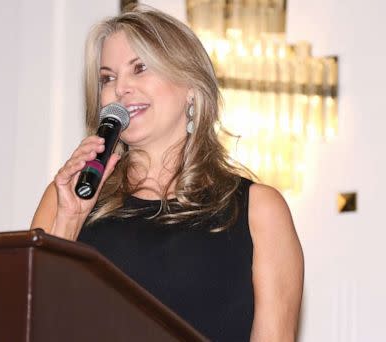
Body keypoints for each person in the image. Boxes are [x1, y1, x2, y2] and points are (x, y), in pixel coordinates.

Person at [31, 5, 303, 341]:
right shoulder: (68, 197)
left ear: (190, 83)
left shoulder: (258, 210)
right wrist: (68, 222)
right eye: (108, 78)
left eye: (139, 68)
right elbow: (30, 324)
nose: (121, 88)